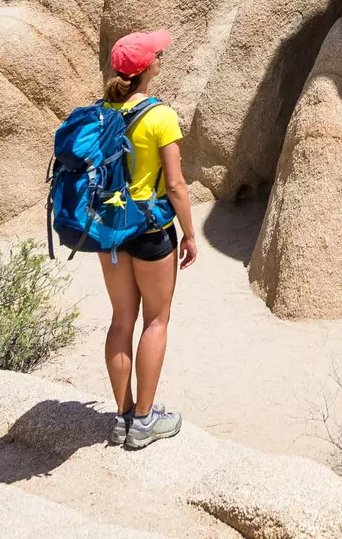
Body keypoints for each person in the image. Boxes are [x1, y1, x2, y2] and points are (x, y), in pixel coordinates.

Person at [98, 28, 198, 450]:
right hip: (151, 231)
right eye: (157, 53)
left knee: (122, 320)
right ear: (147, 69)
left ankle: (122, 417)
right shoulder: (161, 116)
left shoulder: (101, 110)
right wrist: (190, 234)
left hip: (109, 229)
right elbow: (174, 185)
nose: (161, 55)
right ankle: (144, 421)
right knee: (156, 320)